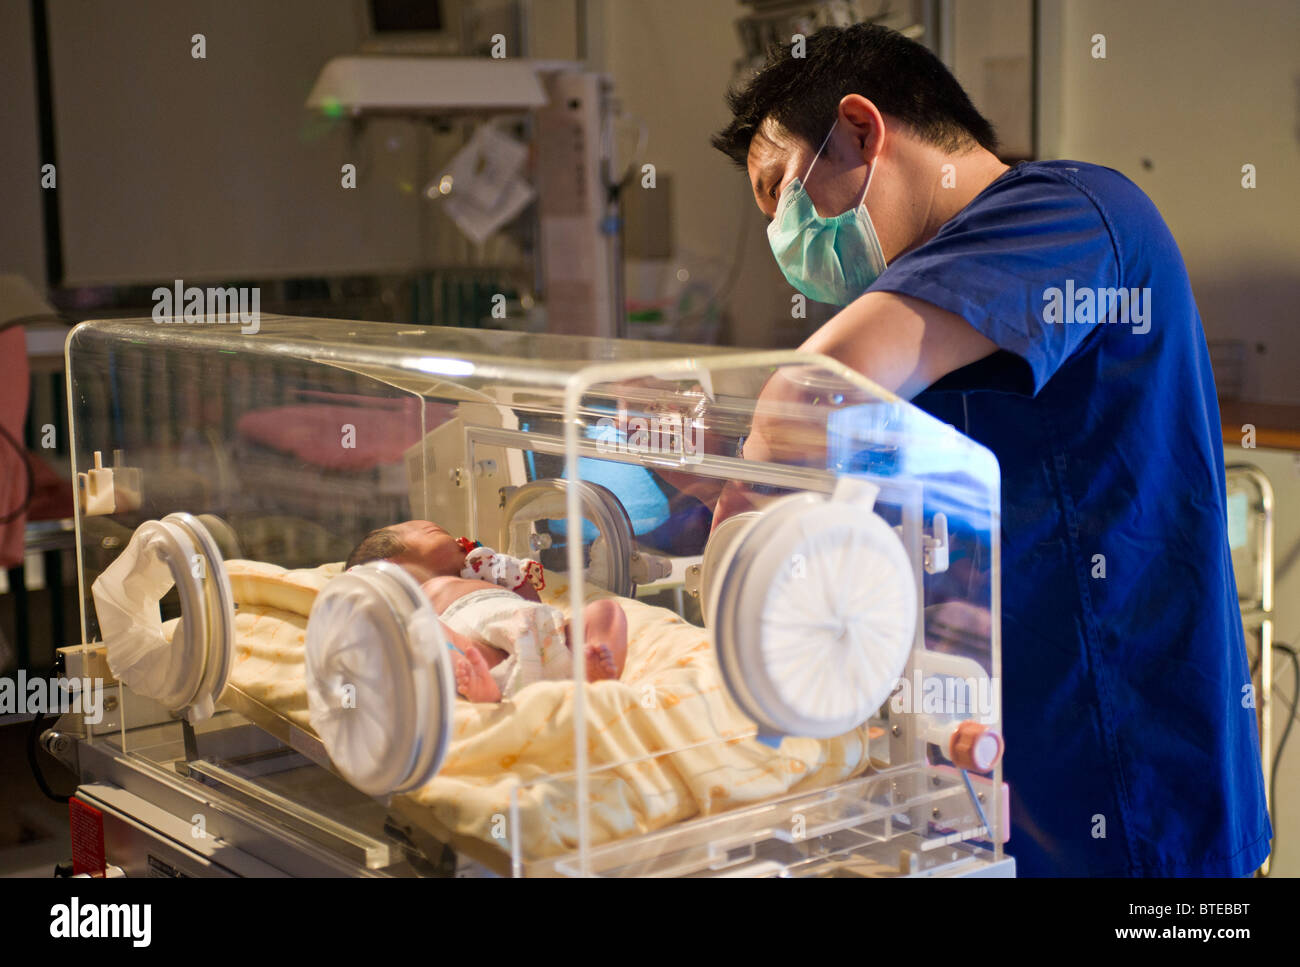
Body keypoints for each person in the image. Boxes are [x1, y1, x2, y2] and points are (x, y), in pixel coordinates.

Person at [707, 23, 1269, 876]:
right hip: (1000, 787)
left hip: (1131, 791)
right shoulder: (928, 298)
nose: (787, 247)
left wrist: (729, 582)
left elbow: (806, 398)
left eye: (782, 190)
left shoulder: (1073, 213)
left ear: (861, 130)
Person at [346, 521, 628, 702]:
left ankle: (589, 667)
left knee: (606, 611)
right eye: (434, 531)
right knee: (431, 636)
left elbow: (535, 605)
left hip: (539, 634)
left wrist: (516, 579)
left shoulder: (482, 576)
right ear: (391, 567)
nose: (459, 540)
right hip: (479, 641)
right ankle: (487, 684)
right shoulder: (410, 596)